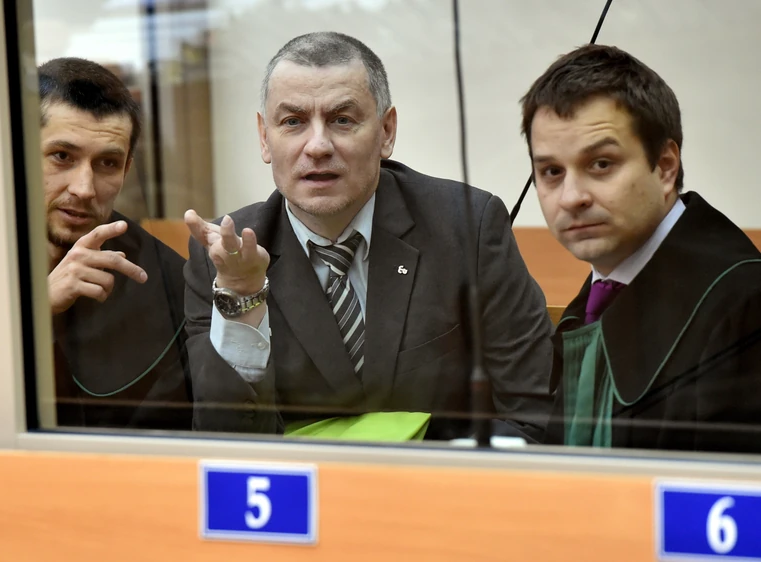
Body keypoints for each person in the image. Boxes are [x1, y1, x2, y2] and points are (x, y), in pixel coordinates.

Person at [183, 32, 553, 441]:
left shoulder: (467, 227)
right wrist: (241, 297)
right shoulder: (224, 258)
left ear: (386, 131)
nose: (318, 146)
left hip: (442, 475)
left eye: (342, 120)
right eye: (293, 122)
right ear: (264, 137)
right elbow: (224, 442)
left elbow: (531, 413)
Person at [521, 44, 761, 452]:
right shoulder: (600, 290)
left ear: (665, 166)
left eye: (601, 164)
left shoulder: (743, 305)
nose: (571, 197)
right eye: (551, 171)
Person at [41, 58, 191, 429]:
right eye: (62, 156)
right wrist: (37, 310)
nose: (84, 189)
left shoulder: (167, 284)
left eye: (107, 163)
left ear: (126, 169)